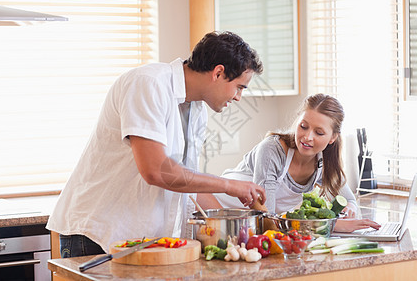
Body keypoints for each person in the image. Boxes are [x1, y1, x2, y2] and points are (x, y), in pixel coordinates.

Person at [46, 31, 266, 258]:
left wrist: (234, 228)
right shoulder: (148, 84)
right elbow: (156, 171)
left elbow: (186, 183)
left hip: (138, 242)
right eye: (240, 87)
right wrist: (229, 185)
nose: (239, 97)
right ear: (218, 72)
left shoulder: (197, 109)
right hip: (96, 235)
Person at [207, 93, 380, 233]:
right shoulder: (272, 150)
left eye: (319, 132)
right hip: (213, 209)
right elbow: (268, 216)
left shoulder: (324, 164)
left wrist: (349, 207)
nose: (307, 137)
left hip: (247, 225)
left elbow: (350, 199)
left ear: (332, 138)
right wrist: (333, 225)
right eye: (303, 126)